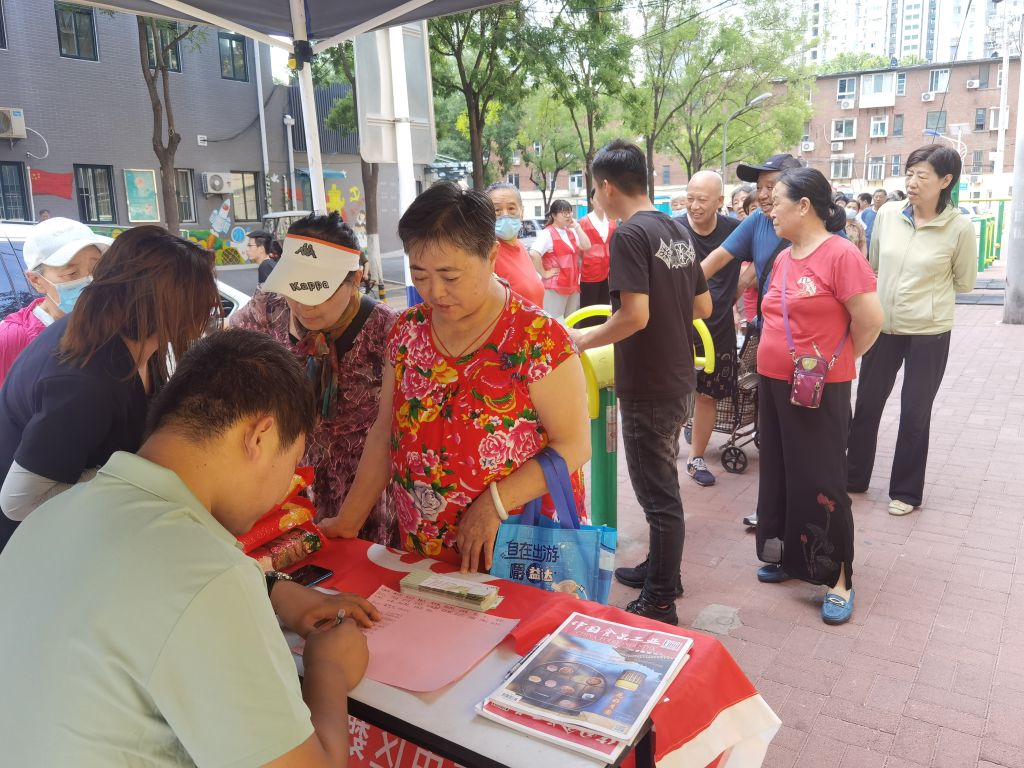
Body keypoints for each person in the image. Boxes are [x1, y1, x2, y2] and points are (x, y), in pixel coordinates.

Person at [0, 329, 373, 766]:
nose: (282, 488)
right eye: (292, 461)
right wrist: (328, 669)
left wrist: (270, 589)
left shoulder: (50, 516)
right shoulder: (209, 576)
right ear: (260, 436)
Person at [323, 182, 591, 575]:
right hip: (423, 546)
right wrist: (349, 520)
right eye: (420, 274)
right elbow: (385, 433)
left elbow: (574, 445)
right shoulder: (406, 332)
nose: (434, 292)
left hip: (517, 543)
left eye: (450, 276)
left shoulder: (539, 338)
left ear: (491, 255)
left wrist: (495, 503)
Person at [0, 226, 222, 551]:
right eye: (201, 298)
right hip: (31, 548)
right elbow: (18, 502)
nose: (208, 308)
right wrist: (129, 479)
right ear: (165, 304)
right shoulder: (82, 382)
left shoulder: (141, 341)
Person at [572, 140, 712, 625]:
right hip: (678, 378)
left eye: (595, 189)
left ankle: (660, 599)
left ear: (608, 187)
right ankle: (662, 570)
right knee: (663, 485)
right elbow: (703, 306)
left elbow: (633, 316)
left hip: (650, 385)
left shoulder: (629, 235)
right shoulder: (674, 229)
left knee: (657, 496)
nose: (596, 197)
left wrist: (581, 339)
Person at [754, 167, 882, 626]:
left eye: (777, 202)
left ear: (804, 205)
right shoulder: (785, 257)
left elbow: (870, 321)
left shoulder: (841, 254)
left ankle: (838, 578)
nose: (770, 210)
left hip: (818, 387)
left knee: (822, 479)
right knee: (781, 472)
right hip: (773, 381)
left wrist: (834, 363)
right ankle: (791, 557)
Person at [231, 213, 399, 545]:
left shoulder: (387, 330)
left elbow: (394, 430)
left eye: (320, 291)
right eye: (295, 287)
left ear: (355, 279)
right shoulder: (269, 310)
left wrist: (352, 515)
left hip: (364, 494)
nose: (305, 304)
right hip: (287, 484)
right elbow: (224, 360)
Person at [847, 146, 977, 516]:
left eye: (922, 175)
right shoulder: (888, 214)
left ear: (946, 181)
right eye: (910, 174)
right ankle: (853, 477)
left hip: (929, 332)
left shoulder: (959, 227)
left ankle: (905, 492)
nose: (912, 182)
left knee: (915, 411)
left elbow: (965, 281)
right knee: (867, 404)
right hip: (884, 327)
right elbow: (874, 262)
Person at [700, 153, 803, 528]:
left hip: (810, 354)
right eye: (759, 187)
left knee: (803, 436)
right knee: (771, 431)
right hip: (769, 342)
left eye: (771, 186)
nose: (762, 195)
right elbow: (716, 259)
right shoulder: (758, 222)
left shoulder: (826, 235)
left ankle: (802, 515)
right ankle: (772, 512)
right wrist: (678, 291)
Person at [679, 171, 740, 488]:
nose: (694, 206)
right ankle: (667, 448)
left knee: (707, 395)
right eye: (690, 198)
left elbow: (760, 258)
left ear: (719, 201)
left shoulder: (735, 230)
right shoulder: (673, 229)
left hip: (718, 329)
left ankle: (696, 457)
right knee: (672, 393)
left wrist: (735, 293)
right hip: (678, 327)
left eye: (702, 200)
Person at [0, 217, 111, 385]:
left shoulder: (111, 324)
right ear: (36, 281)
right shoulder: (13, 339)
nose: (90, 281)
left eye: (97, 269)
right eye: (71, 274)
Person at [529, 199, 591, 320]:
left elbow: (587, 245)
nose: (568, 215)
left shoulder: (570, 232)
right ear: (554, 215)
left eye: (569, 212)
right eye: (564, 212)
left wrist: (577, 226)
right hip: (555, 288)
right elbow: (533, 253)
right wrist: (544, 273)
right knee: (555, 322)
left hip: (572, 285)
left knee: (570, 321)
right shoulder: (547, 233)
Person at [486, 182, 545, 307]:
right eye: (497, 210)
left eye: (511, 208)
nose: (505, 215)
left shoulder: (521, 246)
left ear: (522, 212)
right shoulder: (486, 253)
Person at [577, 195, 616, 317]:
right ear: (591, 200)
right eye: (597, 198)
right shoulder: (583, 222)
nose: (600, 202)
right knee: (588, 309)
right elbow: (578, 249)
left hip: (607, 272)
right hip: (588, 273)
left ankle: (601, 328)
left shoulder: (612, 222)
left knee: (603, 308)